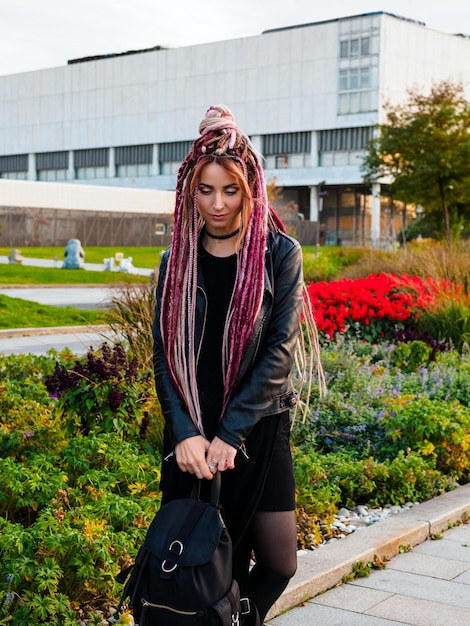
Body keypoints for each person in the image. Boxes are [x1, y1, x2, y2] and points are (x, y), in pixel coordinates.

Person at [152, 104, 322, 624]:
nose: (217, 203)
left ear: (250, 188)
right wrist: (184, 433)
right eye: (206, 190)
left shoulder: (279, 254)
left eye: (230, 190)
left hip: (257, 430)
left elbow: (279, 351)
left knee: (278, 561)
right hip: (192, 443)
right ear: (189, 191)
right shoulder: (175, 261)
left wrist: (230, 434)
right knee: (200, 566)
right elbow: (163, 352)